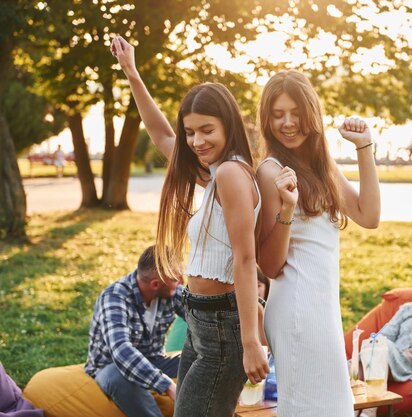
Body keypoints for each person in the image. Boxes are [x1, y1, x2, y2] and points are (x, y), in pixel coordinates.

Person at [111, 36, 268, 417]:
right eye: (191, 131)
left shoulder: (230, 174)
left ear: (228, 126)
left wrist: (252, 341)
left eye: (207, 130)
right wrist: (132, 72)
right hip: (199, 317)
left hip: (222, 324)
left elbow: (246, 261)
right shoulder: (214, 173)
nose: (196, 141)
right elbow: (163, 135)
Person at [256, 70, 381, 417]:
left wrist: (363, 147)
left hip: (321, 309)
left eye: (295, 113)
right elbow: (269, 267)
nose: (288, 123)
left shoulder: (321, 167)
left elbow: (368, 216)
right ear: (266, 119)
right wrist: (286, 208)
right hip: (296, 309)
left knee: (328, 409)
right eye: (278, 114)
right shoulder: (270, 171)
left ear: (311, 113)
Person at [85, 245, 184, 417]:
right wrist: (167, 386)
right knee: (120, 379)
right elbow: (121, 351)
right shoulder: (114, 297)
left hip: (155, 360)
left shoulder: (170, 291)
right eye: (176, 278)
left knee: (197, 360)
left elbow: (201, 315)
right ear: (155, 284)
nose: (182, 281)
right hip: (110, 366)